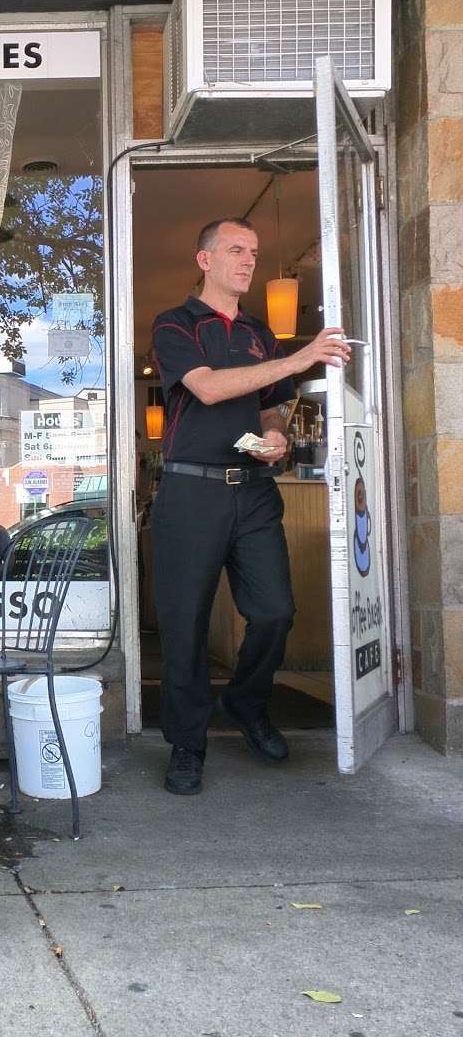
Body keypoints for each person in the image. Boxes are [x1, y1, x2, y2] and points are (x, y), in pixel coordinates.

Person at [150, 217, 351, 797]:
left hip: (255, 491)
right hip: (191, 492)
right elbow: (208, 388)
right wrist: (301, 356)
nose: (248, 260)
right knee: (185, 624)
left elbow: (271, 406)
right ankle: (188, 743)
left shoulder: (260, 332)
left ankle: (244, 701)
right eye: (235, 250)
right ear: (205, 259)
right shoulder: (176, 323)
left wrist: (278, 435)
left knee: (274, 611)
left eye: (255, 252)